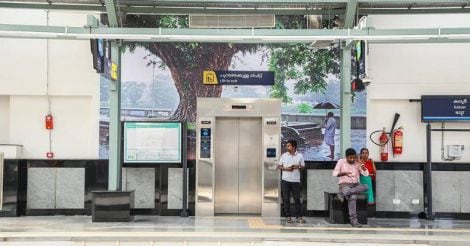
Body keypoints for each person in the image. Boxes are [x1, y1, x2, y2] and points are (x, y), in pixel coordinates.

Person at [332, 148, 369, 227]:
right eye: (350, 158)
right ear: (346, 156)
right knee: (353, 196)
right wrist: (344, 173)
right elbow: (334, 173)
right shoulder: (341, 161)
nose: (352, 159)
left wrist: (361, 164)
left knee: (366, 186)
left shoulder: (357, 163)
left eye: (354, 157)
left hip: (356, 185)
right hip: (344, 185)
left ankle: (342, 194)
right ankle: (354, 221)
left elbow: (366, 174)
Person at [278, 140, 306, 224]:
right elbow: (279, 166)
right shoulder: (284, 155)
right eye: (287, 146)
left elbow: (303, 167)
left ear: (293, 147)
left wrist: (298, 166)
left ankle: (299, 216)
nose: (287, 147)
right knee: (286, 199)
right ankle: (288, 216)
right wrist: (286, 169)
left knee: (297, 199)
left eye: (288, 146)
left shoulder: (300, 156)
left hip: (295, 181)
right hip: (285, 181)